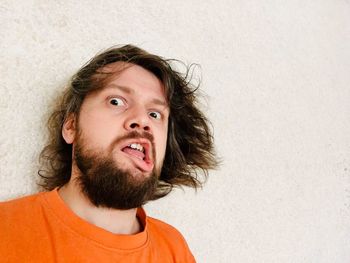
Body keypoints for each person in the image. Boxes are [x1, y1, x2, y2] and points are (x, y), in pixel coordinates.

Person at [0, 45, 217, 262]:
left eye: (154, 113)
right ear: (71, 126)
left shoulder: (174, 250)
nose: (142, 120)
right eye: (116, 101)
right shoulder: (6, 230)